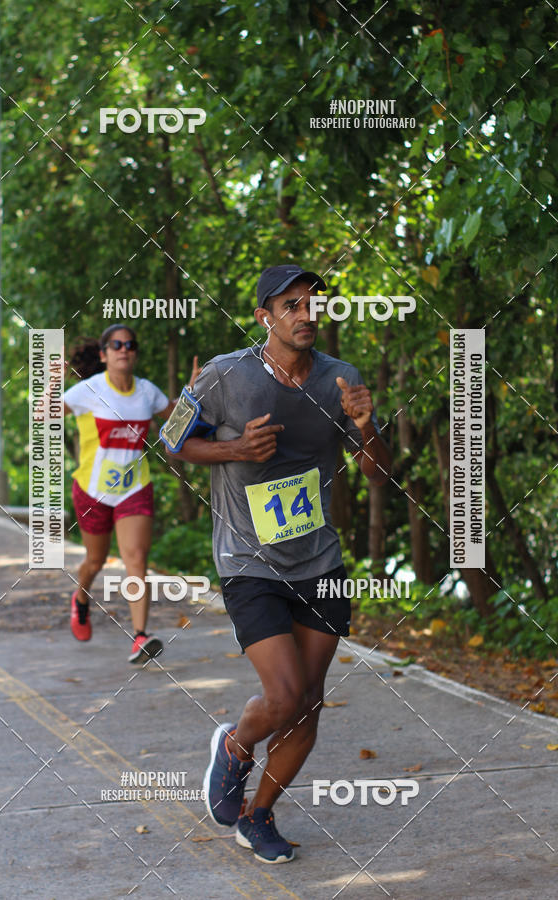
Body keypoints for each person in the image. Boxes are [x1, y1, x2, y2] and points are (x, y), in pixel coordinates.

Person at [174, 264, 391, 863]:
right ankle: (236, 746)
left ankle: (257, 815)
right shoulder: (225, 375)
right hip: (249, 560)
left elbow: (379, 474)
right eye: (291, 305)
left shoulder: (340, 380)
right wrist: (233, 448)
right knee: (286, 694)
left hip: (317, 560)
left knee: (310, 701)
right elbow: (170, 441)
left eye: (312, 303)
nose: (306, 313)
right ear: (264, 316)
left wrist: (368, 428)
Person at [63, 322, 199, 663]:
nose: (124, 349)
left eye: (130, 345)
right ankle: (80, 599)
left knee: (135, 559)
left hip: (134, 488)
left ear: (134, 353)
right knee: (95, 561)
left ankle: (140, 636)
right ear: (104, 354)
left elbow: (178, 419)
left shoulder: (146, 392)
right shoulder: (87, 391)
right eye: (116, 345)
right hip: (92, 490)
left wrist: (193, 392)